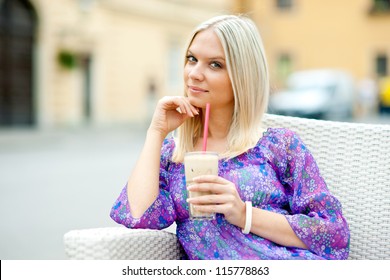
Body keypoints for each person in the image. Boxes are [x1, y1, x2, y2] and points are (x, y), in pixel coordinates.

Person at [110, 15, 350, 260]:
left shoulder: (279, 146)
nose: (194, 73)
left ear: (242, 75)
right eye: (191, 59)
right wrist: (156, 132)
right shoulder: (174, 154)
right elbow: (138, 215)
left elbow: (334, 234)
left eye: (215, 64)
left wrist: (244, 214)